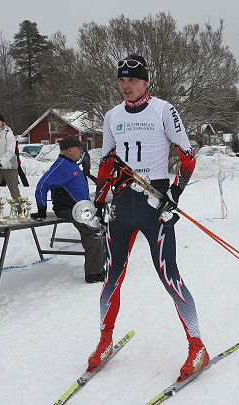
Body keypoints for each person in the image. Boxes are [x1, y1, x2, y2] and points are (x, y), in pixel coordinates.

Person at [87, 54, 209, 381]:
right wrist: (99, 200)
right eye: (121, 80)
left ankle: (197, 345)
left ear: (145, 82)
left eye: (133, 80)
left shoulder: (164, 109)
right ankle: (104, 340)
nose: (126, 85)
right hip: (121, 202)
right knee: (112, 275)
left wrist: (174, 196)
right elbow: (107, 161)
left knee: (169, 274)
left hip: (154, 200)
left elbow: (187, 157)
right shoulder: (112, 116)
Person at [30, 136, 105, 283]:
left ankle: (100, 269)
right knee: (92, 232)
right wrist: (41, 208)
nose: (81, 152)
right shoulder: (61, 165)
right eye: (79, 149)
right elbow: (42, 185)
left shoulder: (72, 164)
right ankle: (94, 274)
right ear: (69, 150)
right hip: (68, 208)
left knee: (100, 229)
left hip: (80, 207)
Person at [0, 114, 21, 201]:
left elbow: (10, 152)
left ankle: (21, 210)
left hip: (10, 167)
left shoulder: (8, 134)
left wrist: (0, 163)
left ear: (2, 123)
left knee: (14, 190)